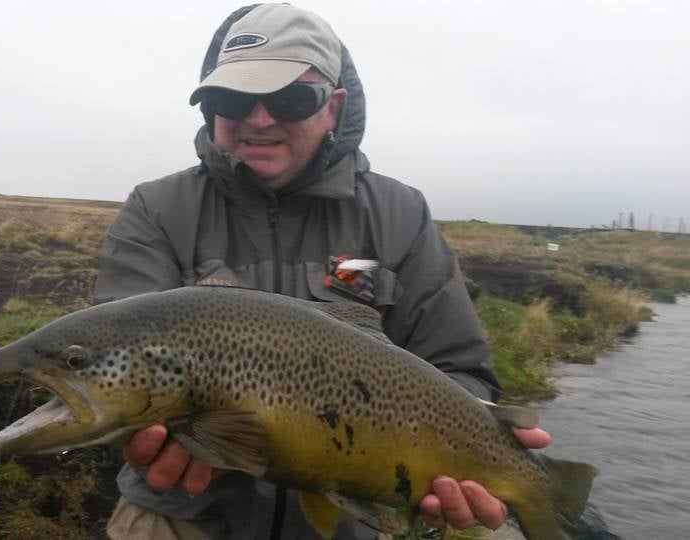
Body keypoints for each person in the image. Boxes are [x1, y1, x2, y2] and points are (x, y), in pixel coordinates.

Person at [93, 4, 550, 539]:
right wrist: (136, 431)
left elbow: (459, 369)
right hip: (177, 516)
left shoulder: (400, 215)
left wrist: (474, 437)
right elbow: (108, 368)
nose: (259, 119)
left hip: (350, 522)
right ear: (209, 106)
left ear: (333, 107)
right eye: (233, 99)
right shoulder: (157, 209)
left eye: (289, 98)